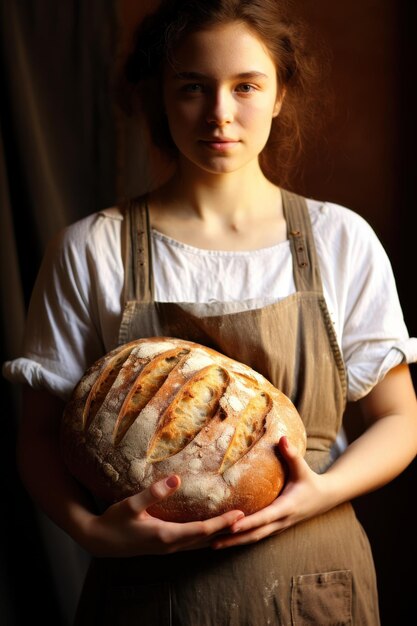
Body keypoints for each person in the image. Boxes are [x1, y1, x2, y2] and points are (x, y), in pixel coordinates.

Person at [4, 0, 417, 624]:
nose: (220, 114)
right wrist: (91, 532)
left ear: (280, 94)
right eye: (192, 87)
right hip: (147, 595)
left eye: (246, 86)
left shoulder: (339, 240)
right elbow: (37, 436)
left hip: (316, 587)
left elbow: (400, 419)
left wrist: (318, 493)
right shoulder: (92, 248)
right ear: (158, 97)